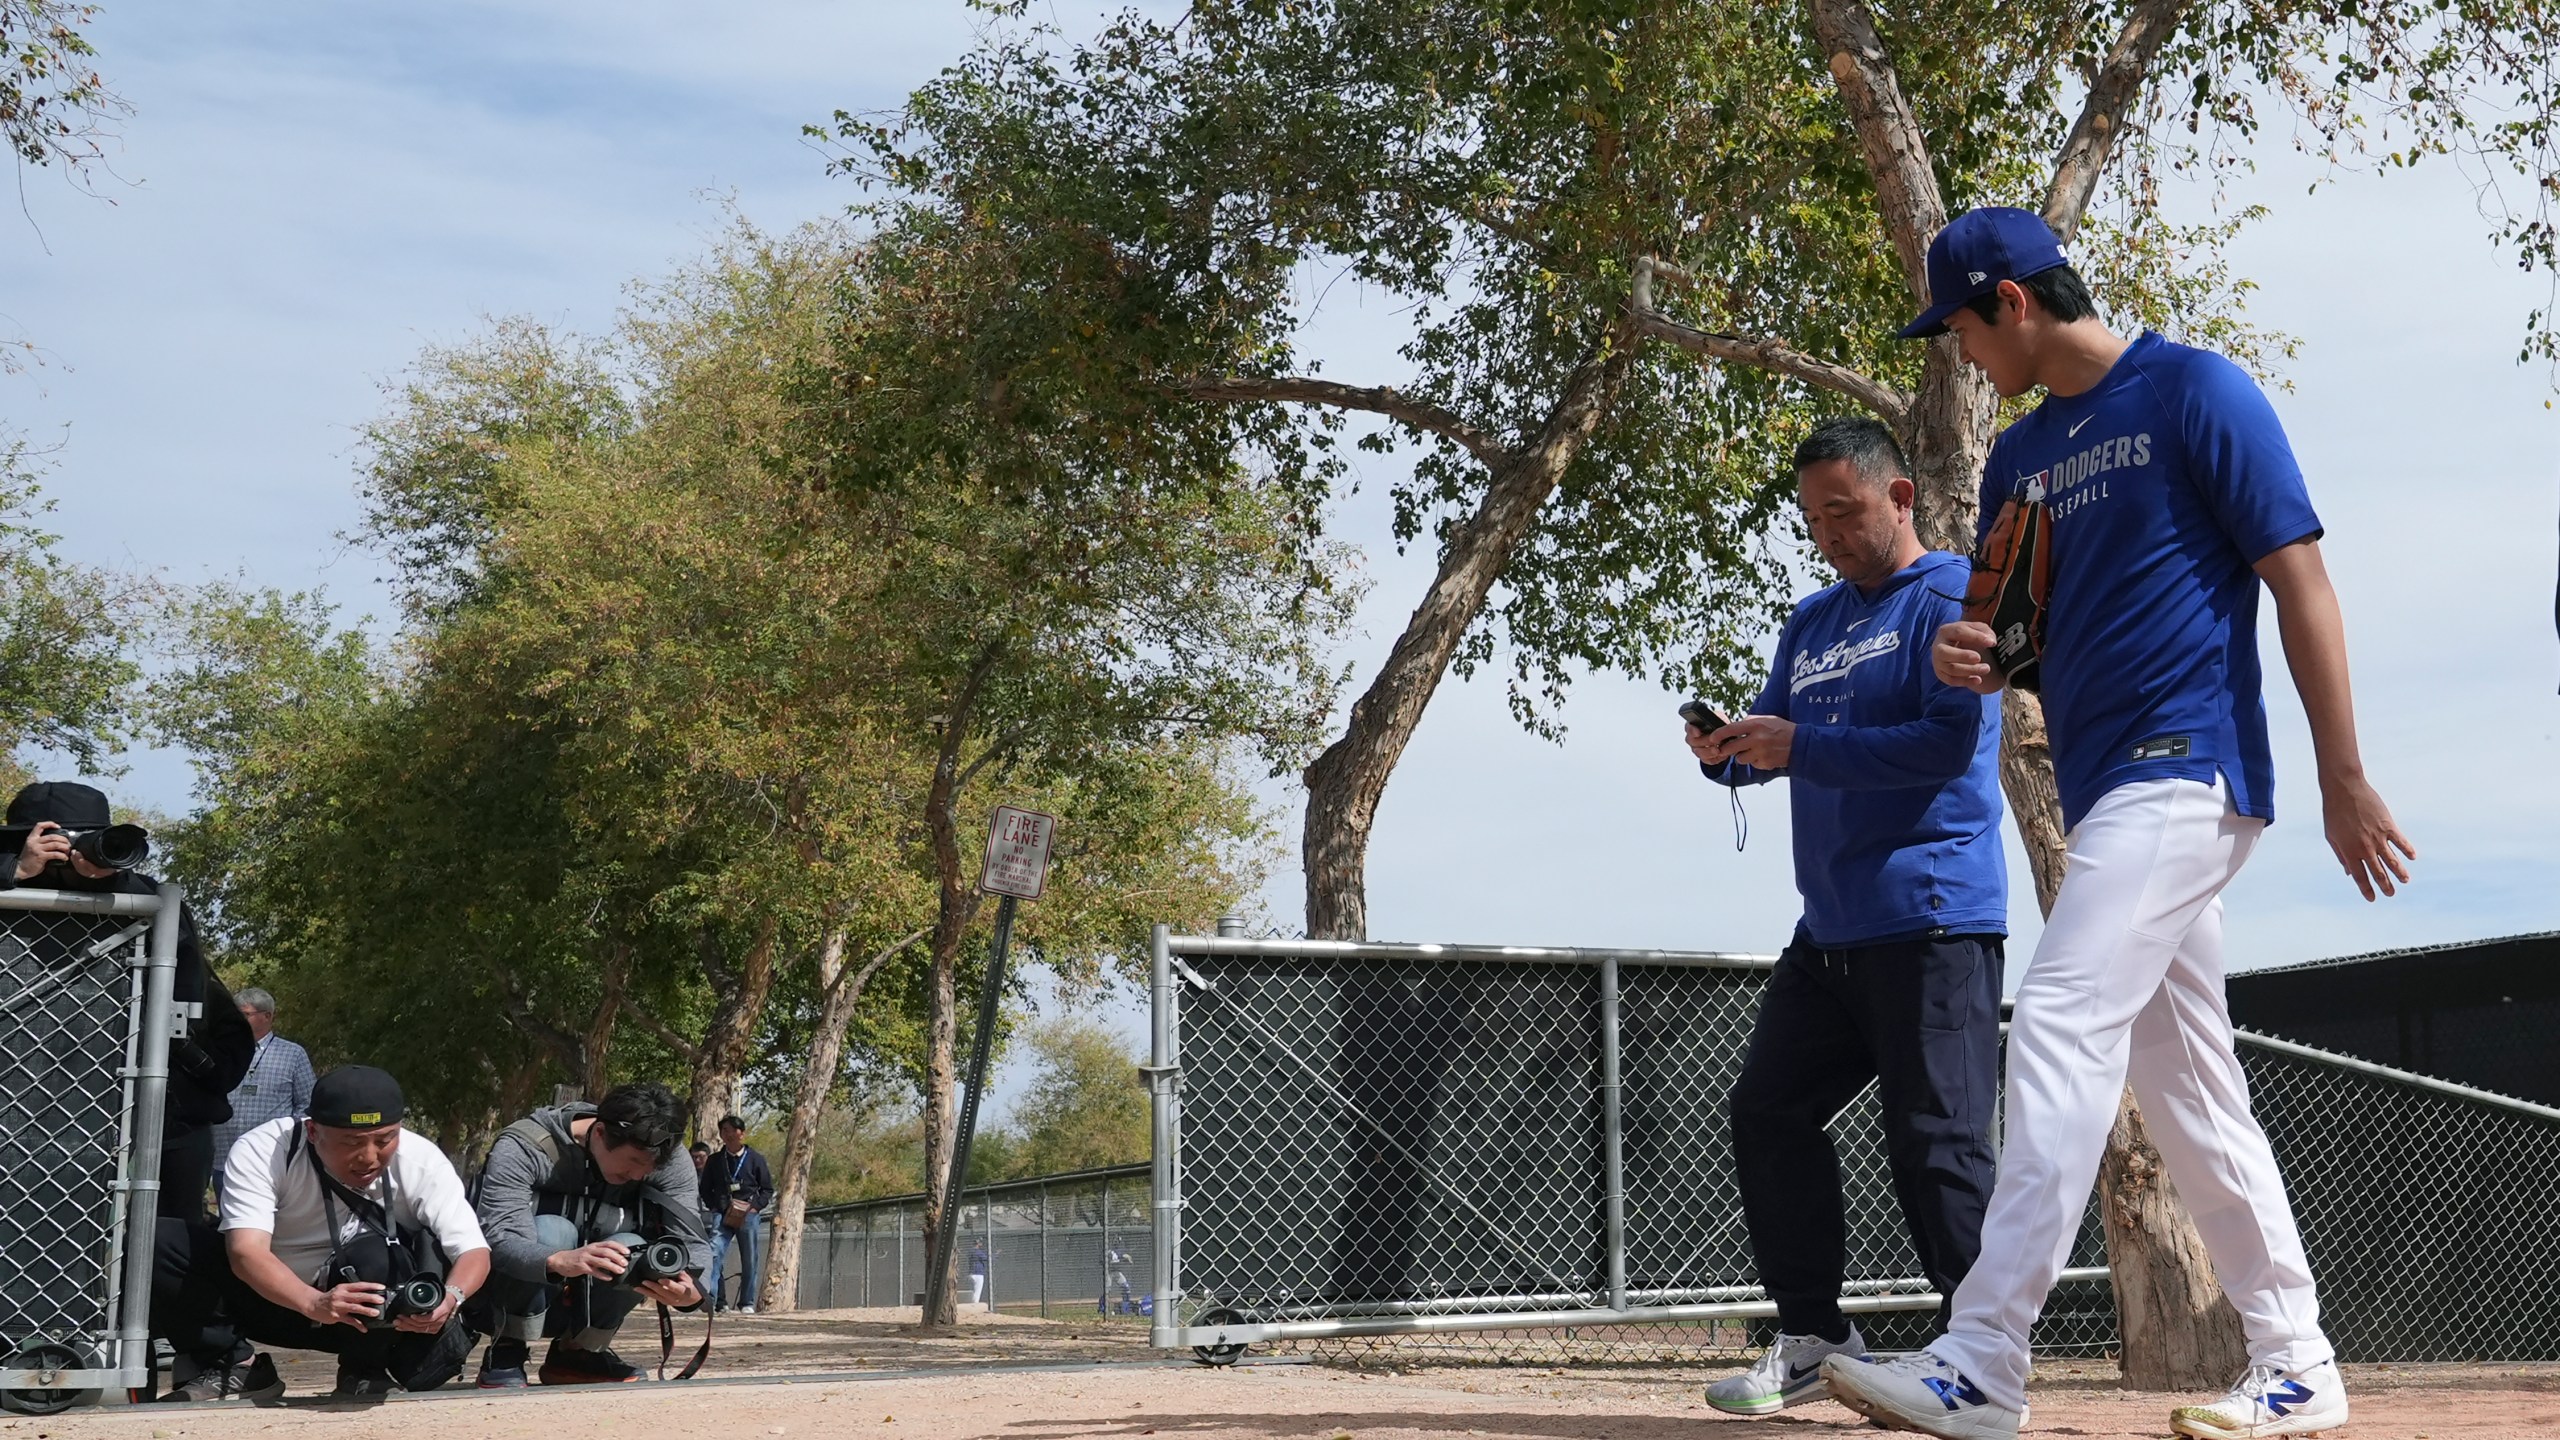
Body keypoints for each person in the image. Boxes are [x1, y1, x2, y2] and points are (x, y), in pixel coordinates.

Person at [1822, 207, 2415, 1440]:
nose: (1960, 357)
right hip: (2104, 791)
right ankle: (2297, 1361)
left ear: (2012, 303)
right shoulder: (2020, 462)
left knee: (2056, 1012)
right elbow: (2017, 634)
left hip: (2189, 769)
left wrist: (2342, 774)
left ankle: (1984, 1357)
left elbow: (2298, 578)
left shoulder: (2197, 391)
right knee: (2189, 1083)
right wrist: (1975, 655)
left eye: (1961, 332)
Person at [1683, 418, 2008, 1417]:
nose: (1827, 531)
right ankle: (1815, 1331)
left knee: (1936, 1140)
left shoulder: (1952, 594)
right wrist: (1725, 752)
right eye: (1812, 516)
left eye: (1844, 510)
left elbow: (1942, 747)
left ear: (1899, 497)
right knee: (1767, 1111)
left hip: (1932, 914)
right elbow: (1781, 737)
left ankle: (1981, 1360)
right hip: (1828, 929)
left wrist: (1799, 747)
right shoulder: (1811, 622)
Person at [150, 1065, 489, 1401]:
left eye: (385, 1140)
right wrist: (312, 1302)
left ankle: (364, 1369)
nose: (369, 1157)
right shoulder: (264, 1150)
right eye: (351, 1142)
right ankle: (236, 1365)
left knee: (380, 1254)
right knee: (161, 1240)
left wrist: (452, 1298)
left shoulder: (421, 1159)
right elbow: (245, 1252)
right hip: (272, 1300)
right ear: (313, 1131)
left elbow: (474, 1250)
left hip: (366, 1318)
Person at [1, 780, 254, 1218]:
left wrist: (112, 876)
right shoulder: (10, 888)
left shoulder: (145, 902)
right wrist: (14, 873)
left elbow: (193, 1002)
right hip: (17, 1111)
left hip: (138, 1113)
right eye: (59, 842)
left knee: (163, 1243)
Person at [468, 1082, 708, 1386]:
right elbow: (499, 1237)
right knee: (553, 1232)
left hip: (596, 1288)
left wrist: (694, 1292)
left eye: (649, 1169)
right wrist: (557, 1260)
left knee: (633, 1251)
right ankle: (506, 1349)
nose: (638, 1175)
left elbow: (693, 1240)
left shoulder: (668, 1157)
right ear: (599, 1133)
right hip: (517, 1284)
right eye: (634, 1162)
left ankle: (580, 1353)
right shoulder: (524, 1146)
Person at [212, 988, 317, 1200]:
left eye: (244, 1015)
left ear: (267, 1016)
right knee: (228, 1227)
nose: (237, 1021)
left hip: (272, 1161)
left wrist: (290, 1142)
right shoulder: (221, 1050)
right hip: (223, 1159)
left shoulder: (292, 1054)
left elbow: (307, 1105)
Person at [698, 1114, 772, 1315]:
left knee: (749, 1258)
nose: (728, 1134)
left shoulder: (756, 1159)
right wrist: (716, 1207)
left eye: (731, 1130)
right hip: (722, 1214)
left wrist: (754, 1207)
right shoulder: (714, 1160)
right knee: (714, 1253)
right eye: (724, 1130)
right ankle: (710, 1299)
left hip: (747, 1215)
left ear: (742, 1133)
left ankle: (746, 1302)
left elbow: (766, 1189)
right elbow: (705, 1189)